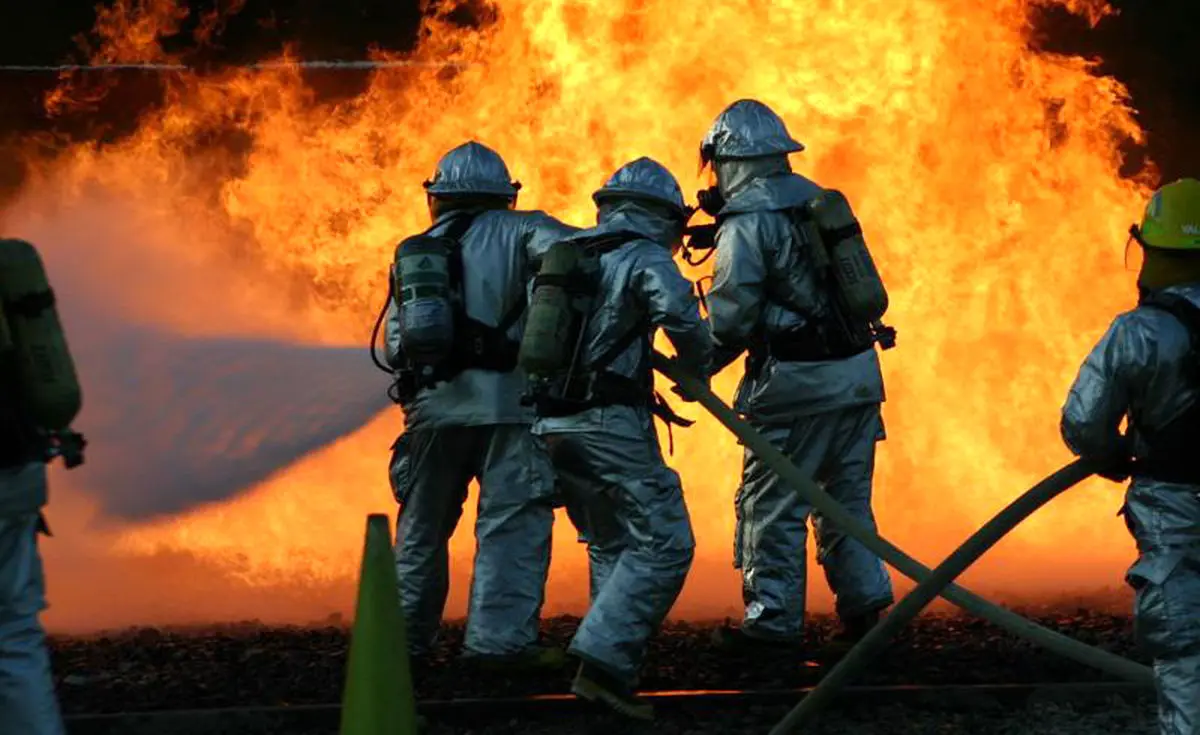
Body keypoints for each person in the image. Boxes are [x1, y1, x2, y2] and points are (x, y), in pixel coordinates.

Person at [697, 99, 894, 654]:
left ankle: (772, 627)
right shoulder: (820, 201)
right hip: (857, 377)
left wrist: (696, 366)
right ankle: (865, 614)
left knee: (772, 508)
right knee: (846, 502)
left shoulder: (747, 223)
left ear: (729, 161)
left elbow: (731, 320)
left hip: (793, 390)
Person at [529, 157, 712, 720]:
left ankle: (608, 679)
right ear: (664, 218)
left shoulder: (569, 253)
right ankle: (602, 655)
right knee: (665, 542)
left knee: (612, 541)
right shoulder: (645, 256)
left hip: (553, 424)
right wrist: (699, 369)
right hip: (609, 423)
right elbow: (681, 317)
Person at [383, 141, 576, 668]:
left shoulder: (416, 251)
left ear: (437, 197)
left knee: (421, 529)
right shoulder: (527, 229)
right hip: (511, 410)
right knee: (509, 525)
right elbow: (581, 254)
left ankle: (401, 645)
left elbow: (396, 348)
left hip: (433, 414)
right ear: (504, 195)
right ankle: (498, 644)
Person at [1061, 178, 1200, 735]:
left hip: (1174, 511)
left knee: (1187, 651)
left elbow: (1082, 424)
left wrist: (1117, 456)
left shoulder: (1140, 332)